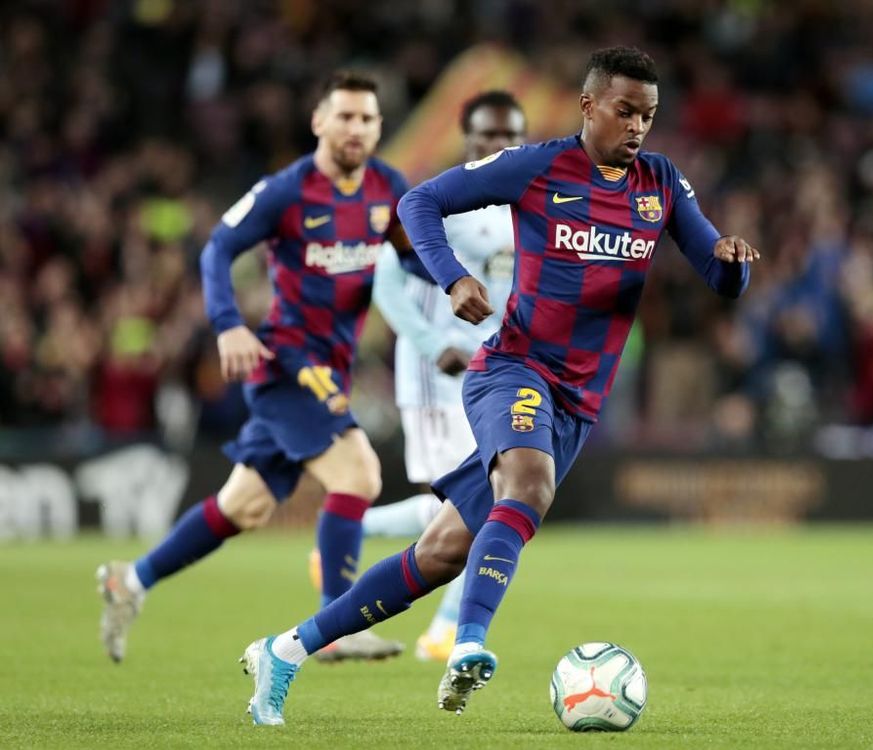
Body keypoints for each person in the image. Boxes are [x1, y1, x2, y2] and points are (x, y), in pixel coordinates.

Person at [238, 46, 758, 726]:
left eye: (648, 116)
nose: (637, 127)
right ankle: (468, 644)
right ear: (588, 105)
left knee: (439, 553)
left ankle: (282, 651)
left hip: (577, 403)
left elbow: (719, 275)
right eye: (625, 111)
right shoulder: (538, 166)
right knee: (529, 488)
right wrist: (453, 277)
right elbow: (419, 202)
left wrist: (733, 262)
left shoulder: (660, 183)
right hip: (512, 369)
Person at [96, 71, 408, 663]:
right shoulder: (285, 191)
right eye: (344, 116)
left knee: (244, 506)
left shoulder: (387, 188)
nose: (355, 128)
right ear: (318, 121)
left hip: (334, 365)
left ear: (378, 127)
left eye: (367, 118)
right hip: (289, 364)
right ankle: (334, 626)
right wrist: (228, 324)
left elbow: (411, 254)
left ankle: (130, 580)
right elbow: (217, 248)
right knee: (359, 474)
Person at [307, 90, 527, 663]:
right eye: (488, 134)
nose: (499, 145)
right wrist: (434, 347)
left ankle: (350, 530)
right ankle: (445, 628)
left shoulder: (520, 208)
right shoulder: (442, 200)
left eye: (510, 136)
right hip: (439, 377)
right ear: (467, 138)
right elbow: (385, 280)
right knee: (479, 503)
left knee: (482, 500)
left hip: (494, 372)